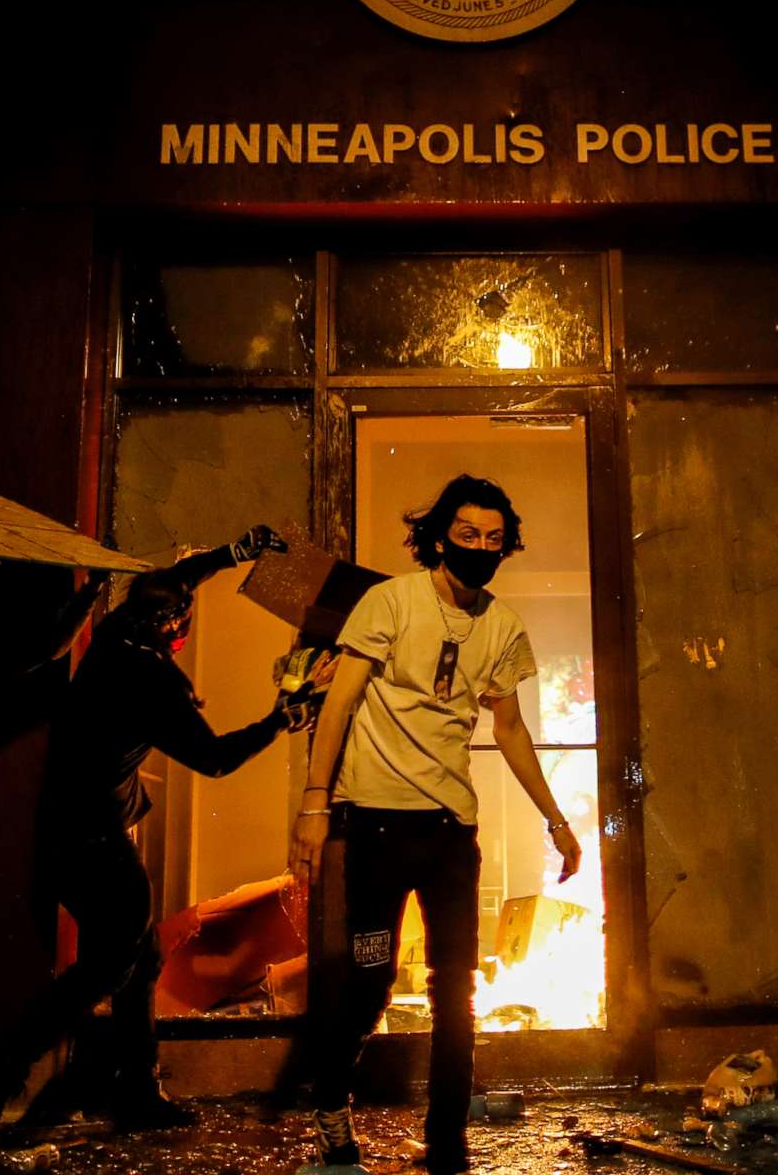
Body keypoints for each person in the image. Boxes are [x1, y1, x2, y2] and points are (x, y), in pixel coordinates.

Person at [0, 525, 304, 1144]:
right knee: (111, 964)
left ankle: (134, 1088)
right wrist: (285, 718)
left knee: (138, 958)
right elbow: (216, 759)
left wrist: (233, 552)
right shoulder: (152, 679)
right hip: (93, 840)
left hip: (67, 830)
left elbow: (173, 586)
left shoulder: (116, 633)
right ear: (174, 629)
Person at [289, 476, 580, 1175]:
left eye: (492, 538)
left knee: (458, 990)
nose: (479, 548)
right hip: (375, 828)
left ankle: (448, 1142)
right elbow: (340, 703)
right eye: (466, 534)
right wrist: (313, 803)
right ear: (438, 536)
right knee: (371, 977)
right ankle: (332, 1112)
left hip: (452, 832)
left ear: (506, 544)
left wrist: (557, 819)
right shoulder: (389, 601)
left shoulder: (502, 626)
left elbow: (508, 728)